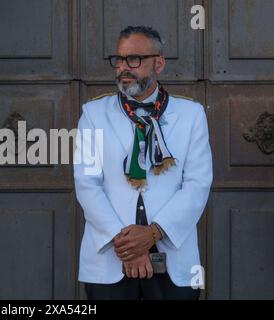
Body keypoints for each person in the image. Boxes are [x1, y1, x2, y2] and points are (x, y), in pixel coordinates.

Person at [73, 26, 213, 300]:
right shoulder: (92, 115)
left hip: (174, 260)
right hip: (110, 261)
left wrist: (152, 234)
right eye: (120, 59)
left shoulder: (192, 114)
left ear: (158, 63)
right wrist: (128, 245)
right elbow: (87, 183)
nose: (124, 67)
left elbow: (197, 184)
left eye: (134, 59)